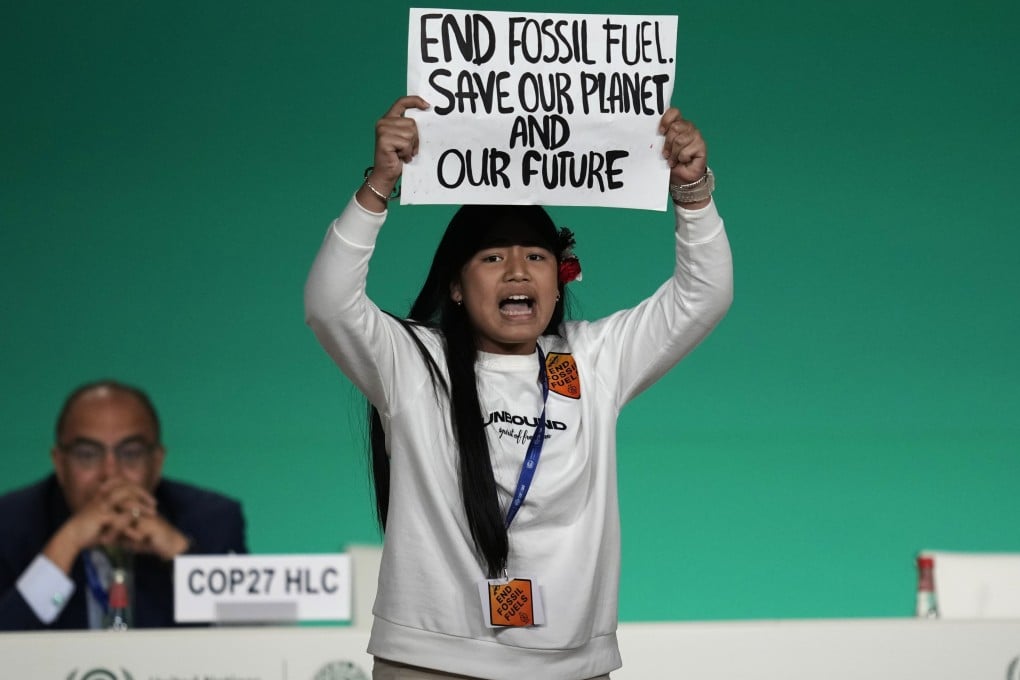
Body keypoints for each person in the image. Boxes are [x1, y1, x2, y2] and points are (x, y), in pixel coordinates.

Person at [304, 95, 733, 680]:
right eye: (491, 258)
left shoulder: (592, 359)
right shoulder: (415, 361)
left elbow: (703, 296)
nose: (516, 271)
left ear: (558, 282)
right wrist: (379, 186)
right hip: (430, 660)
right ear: (456, 287)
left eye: (535, 255)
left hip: (571, 665)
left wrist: (692, 192)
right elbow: (329, 304)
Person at [0, 380, 248, 630]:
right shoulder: (10, 524)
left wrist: (180, 555)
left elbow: (246, 640)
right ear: (60, 464)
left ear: (157, 463)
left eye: (130, 453)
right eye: (87, 454)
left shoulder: (210, 522)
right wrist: (68, 543)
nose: (110, 473)